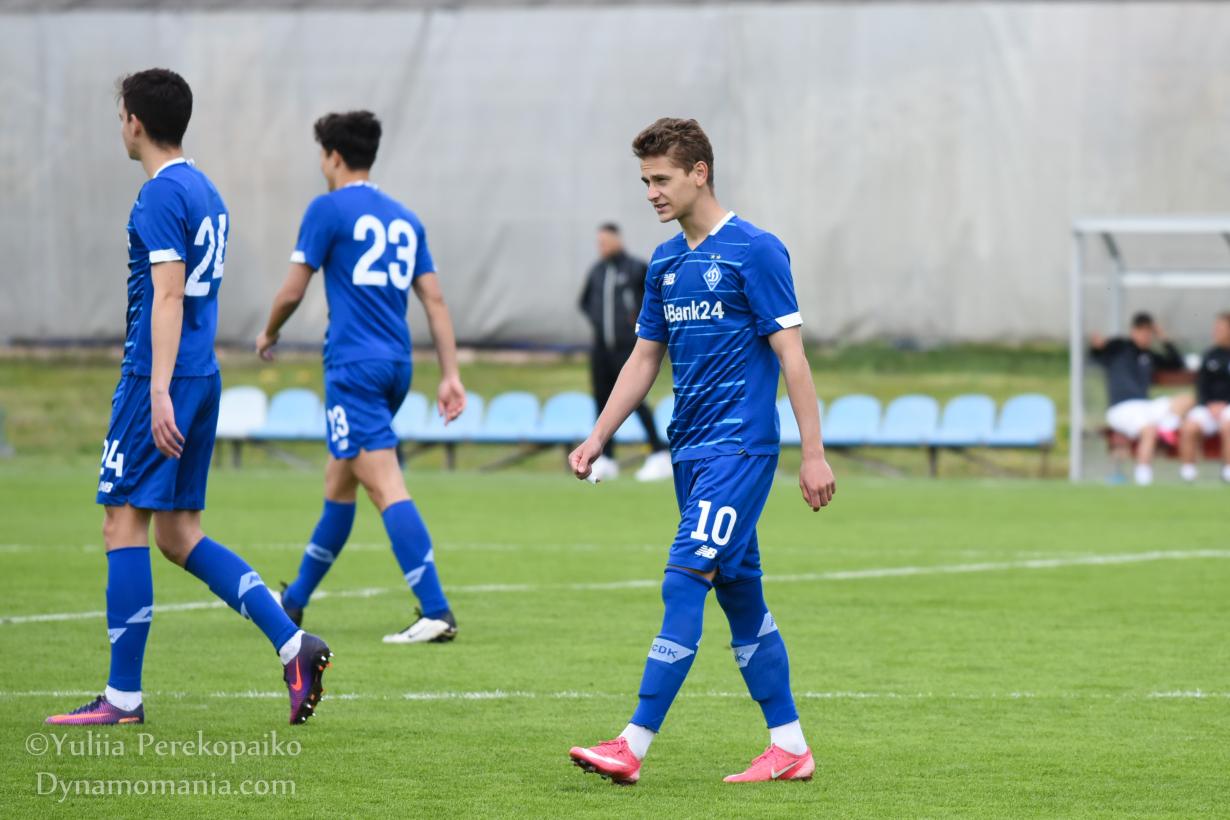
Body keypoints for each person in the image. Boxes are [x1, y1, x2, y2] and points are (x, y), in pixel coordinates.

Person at [46, 69, 330, 727]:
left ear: (135, 122)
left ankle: (122, 697)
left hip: (163, 375)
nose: (121, 127)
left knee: (122, 522)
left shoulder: (158, 195)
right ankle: (294, 645)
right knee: (178, 535)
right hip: (201, 375)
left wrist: (155, 389)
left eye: (121, 116)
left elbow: (169, 293)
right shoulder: (207, 191)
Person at [567, 118, 835, 785]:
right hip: (690, 453)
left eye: (661, 179)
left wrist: (813, 454)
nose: (651, 193)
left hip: (739, 449)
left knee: (683, 578)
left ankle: (632, 743)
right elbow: (644, 359)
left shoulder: (756, 251)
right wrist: (599, 436)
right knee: (741, 598)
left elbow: (793, 358)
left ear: (699, 173)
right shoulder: (664, 262)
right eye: (645, 181)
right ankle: (790, 747)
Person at [257, 111, 466, 645]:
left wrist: (269, 332)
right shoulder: (405, 218)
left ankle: (437, 611)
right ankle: (294, 601)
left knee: (384, 484)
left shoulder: (326, 209)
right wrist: (450, 374)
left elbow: (293, 289)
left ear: (333, 157)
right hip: (396, 366)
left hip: (353, 368)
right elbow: (435, 300)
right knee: (341, 480)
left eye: (321, 156)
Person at [578, 223, 672, 482]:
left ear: (617, 240)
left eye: (605, 241)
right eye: (599, 242)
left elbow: (650, 301)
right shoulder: (597, 271)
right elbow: (584, 302)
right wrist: (599, 323)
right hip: (601, 348)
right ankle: (606, 457)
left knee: (634, 400)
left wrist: (631, 322)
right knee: (602, 400)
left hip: (627, 348)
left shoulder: (635, 268)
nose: (601, 246)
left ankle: (658, 453)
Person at [1090, 312, 1191, 486]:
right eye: (1142, 331)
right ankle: (1143, 478)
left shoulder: (1149, 356)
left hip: (1145, 407)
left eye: (1149, 332)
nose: (1146, 336)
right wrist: (1097, 347)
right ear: (1133, 331)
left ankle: (1166, 427)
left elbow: (1177, 364)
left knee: (1186, 400)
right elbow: (1098, 355)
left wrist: (1164, 338)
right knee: (1149, 429)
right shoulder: (1119, 347)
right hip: (1121, 408)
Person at [1178, 312, 1230, 483]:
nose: (1216, 332)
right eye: (1216, 328)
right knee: (1189, 426)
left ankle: (1228, 471)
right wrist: (1209, 404)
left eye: (1220, 328)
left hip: (1227, 408)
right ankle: (1188, 473)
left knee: (1228, 425)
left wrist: (1224, 404)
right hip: (1208, 407)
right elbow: (1201, 385)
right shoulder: (1209, 355)